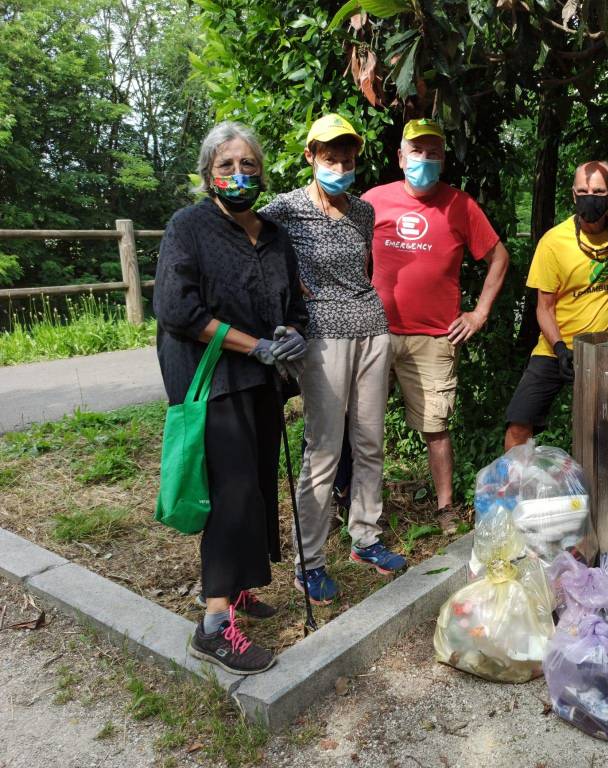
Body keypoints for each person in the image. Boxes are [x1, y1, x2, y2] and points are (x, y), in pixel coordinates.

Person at [153, 121, 308, 675]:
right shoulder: (188, 227)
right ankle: (214, 623)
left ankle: (238, 585)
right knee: (233, 489)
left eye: (249, 165)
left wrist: (291, 331)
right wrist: (255, 345)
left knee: (257, 480)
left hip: (262, 377)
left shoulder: (272, 234)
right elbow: (177, 311)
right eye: (227, 166)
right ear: (207, 175)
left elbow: (293, 304)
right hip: (210, 376)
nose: (239, 175)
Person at [261, 114, 403, 602]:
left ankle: (365, 536)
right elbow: (248, 244)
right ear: (310, 157)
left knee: (370, 442)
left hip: (372, 330)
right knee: (323, 451)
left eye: (346, 159)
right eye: (329, 158)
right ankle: (310, 560)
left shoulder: (363, 211)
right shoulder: (285, 208)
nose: (339, 166)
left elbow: (361, 269)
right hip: (322, 338)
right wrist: (286, 289)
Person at [362, 118, 509, 531]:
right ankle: (359, 507)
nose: (423, 159)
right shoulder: (374, 199)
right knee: (362, 424)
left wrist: (478, 313)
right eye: (416, 151)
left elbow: (499, 257)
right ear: (400, 157)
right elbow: (347, 254)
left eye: (432, 152)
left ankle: (444, 508)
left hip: (435, 338)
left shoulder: (460, 205)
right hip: (376, 332)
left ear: (443, 159)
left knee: (436, 428)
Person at [504, 161, 608, 450]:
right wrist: (560, 348)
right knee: (520, 422)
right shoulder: (553, 243)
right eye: (583, 191)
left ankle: (602, 489)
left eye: (598, 191)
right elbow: (543, 308)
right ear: (573, 195)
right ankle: (514, 489)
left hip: (604, 348)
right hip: (555, 348)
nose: (590, 197)